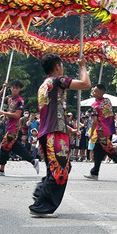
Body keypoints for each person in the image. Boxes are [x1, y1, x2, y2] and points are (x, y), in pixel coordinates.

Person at [29, 53, 90, 218]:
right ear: (57, 66)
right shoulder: (57, 80)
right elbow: (86, 84)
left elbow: (52, 112)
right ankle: (40, 206)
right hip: (54, 134)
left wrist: (68, 129)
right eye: (61, 65)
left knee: (61, 168)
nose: (62, 68)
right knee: (60, 171)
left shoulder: (44, 85)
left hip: (46, 132)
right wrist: (83, 66)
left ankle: (40, 191)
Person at [84, 84, 117, 181]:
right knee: (97, 151)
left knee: (110, 152)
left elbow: (94, 122)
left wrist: (90, 134)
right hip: (109, 130)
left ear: (100, 93)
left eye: (95, 91)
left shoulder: (95, 105)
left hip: (101, 131)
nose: (93, 93)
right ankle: (94, 172)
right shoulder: (107, 101)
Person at [0, 80, 39, 176]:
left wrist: (4, 113)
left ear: (19, 89)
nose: (14, 89)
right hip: (8, 126)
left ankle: (1, 170)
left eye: (16, 88)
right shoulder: (9, 98)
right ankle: (33, 161)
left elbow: (17, 115)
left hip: (14, 129)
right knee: (17, 148)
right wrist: (2, 89)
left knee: (4, 147)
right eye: (13, 87)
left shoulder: (19, 101)